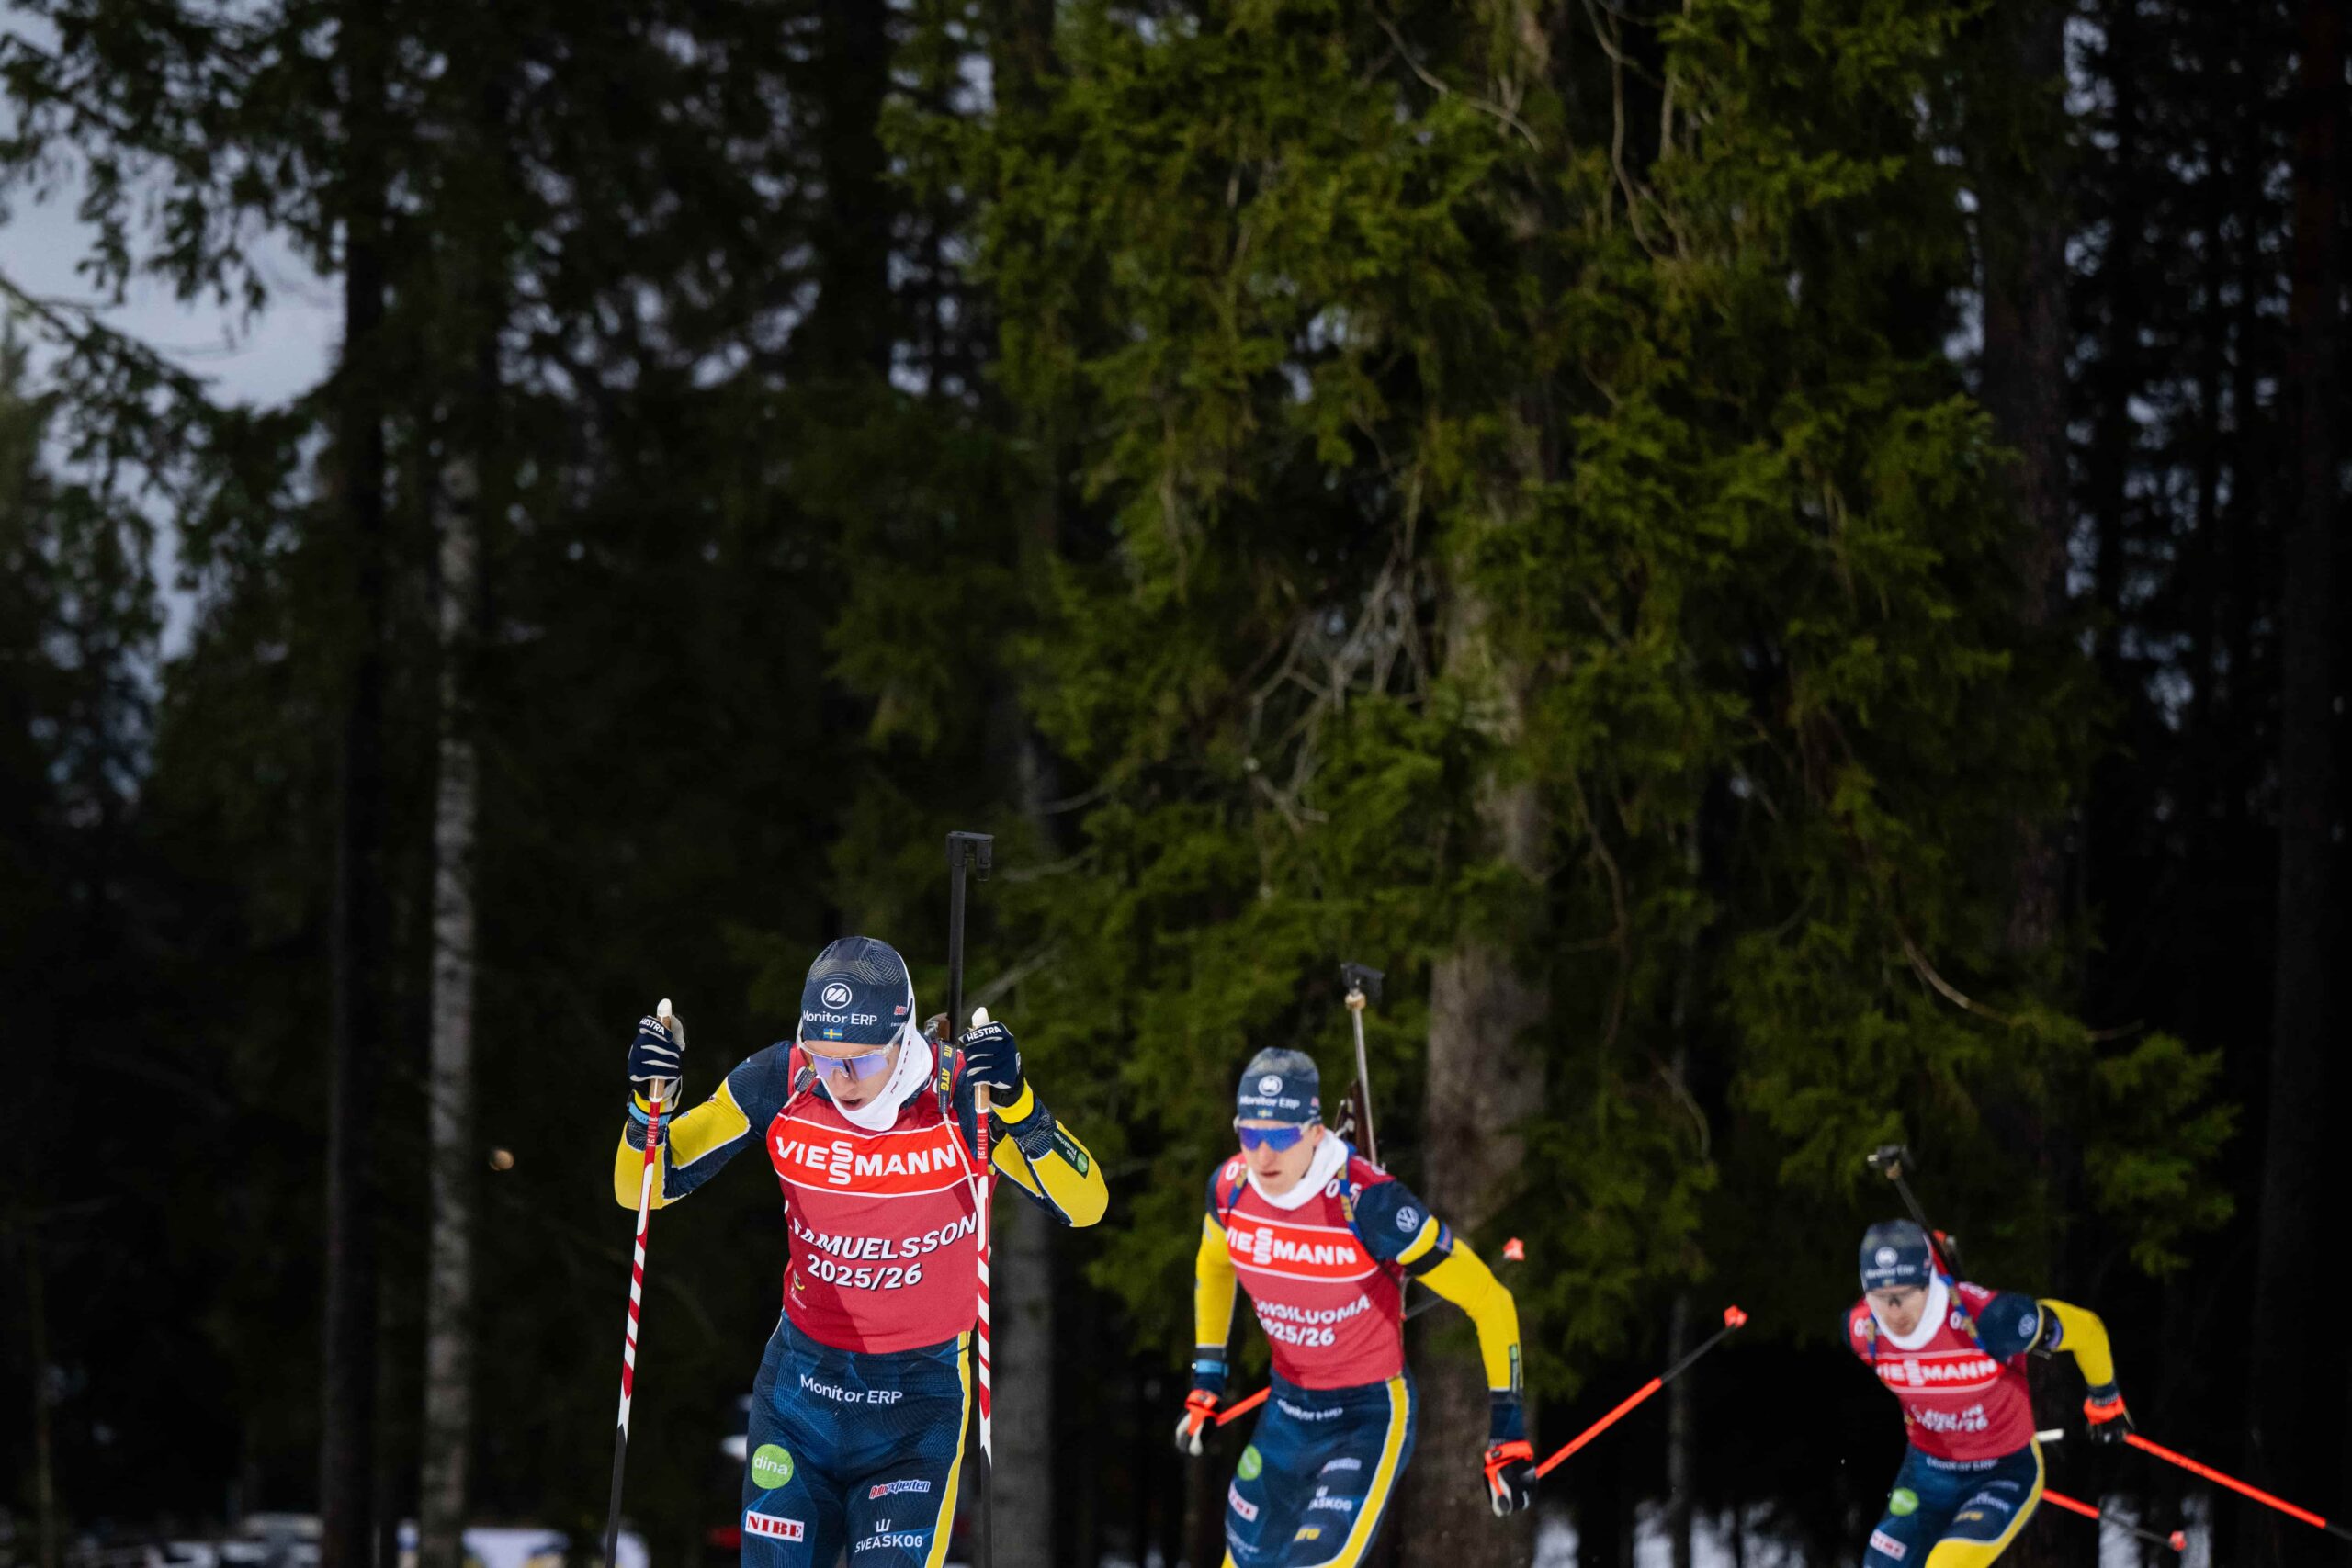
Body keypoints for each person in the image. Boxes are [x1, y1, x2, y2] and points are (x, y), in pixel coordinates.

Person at [613, 935, 1107, 1568]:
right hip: (801, 1392)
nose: (841, 1077)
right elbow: (642, 1187)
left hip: (917, 1404)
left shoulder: (958, 1099)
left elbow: (1085, 1202)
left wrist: (1020, 1105)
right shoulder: (782, 1080)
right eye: (825, 1055)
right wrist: (643, 1109)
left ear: (903, 1037)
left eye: (862, 1060)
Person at [1176, 1047, 1532, 1568]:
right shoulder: (1230, 1190)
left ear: (1316, 1132)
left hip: (1366, 1417)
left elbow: (1489, 1298)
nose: (1263, 1156)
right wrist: (1206, 1379)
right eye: (1251, 1135)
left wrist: (1509, 1430)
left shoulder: (1369, 1203)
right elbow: (1213, 1266)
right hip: (1287, 1413)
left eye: (1280, 1137)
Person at [1846, 1219, 2131, 1566]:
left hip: (2003, 1471)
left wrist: (2105, 1398)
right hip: (1927, 1472)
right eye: (1880, 1297)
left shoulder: (1991, 1320)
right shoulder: (1861, 1332)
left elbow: (2087, 1329)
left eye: (1905, 1295)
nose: (1894, 1312)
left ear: (1928, 1281)